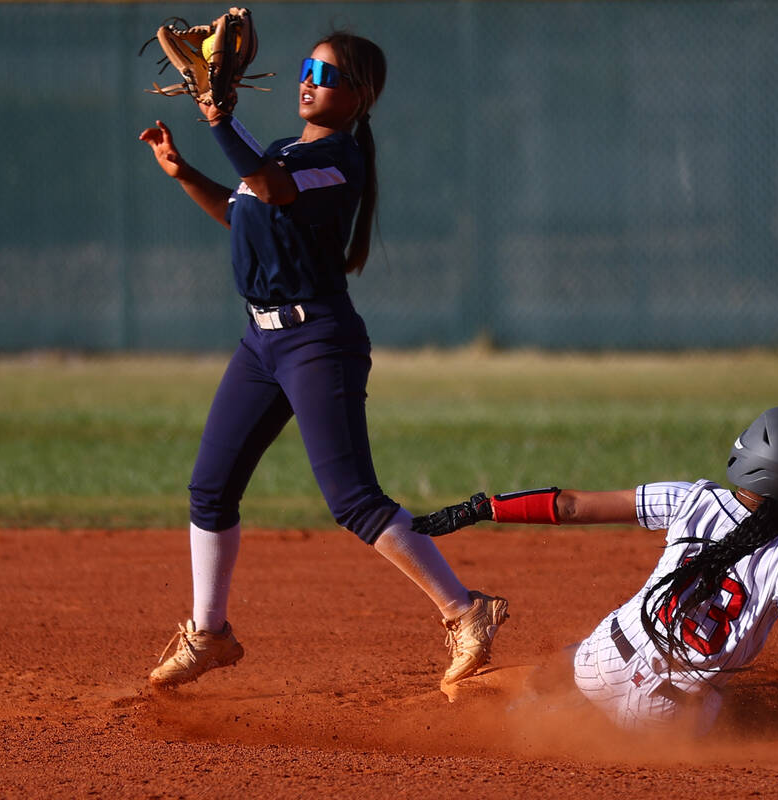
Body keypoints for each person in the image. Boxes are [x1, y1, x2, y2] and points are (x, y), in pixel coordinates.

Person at [138, 31, 507, 692]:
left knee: (354, 500)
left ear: (360, 97)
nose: (307, 80)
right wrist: (185, 170)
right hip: (261, 343)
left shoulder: (340, 162)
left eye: (326, 74)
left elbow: (272, 188)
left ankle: (466, 610)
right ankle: (209, 634)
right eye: (306, 67)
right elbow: (243, 205)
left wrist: (220, 118)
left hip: (317, 341)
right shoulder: (279, 151)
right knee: (210, 488)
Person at [412, 407, 778, 737]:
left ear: (744, 453)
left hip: (598, 660)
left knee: (572, 659)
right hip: (667, 717)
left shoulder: (693, 499)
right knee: (743, 713)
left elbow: (570, 505)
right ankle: (578, 726)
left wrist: (484, 507)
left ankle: (524, 711)